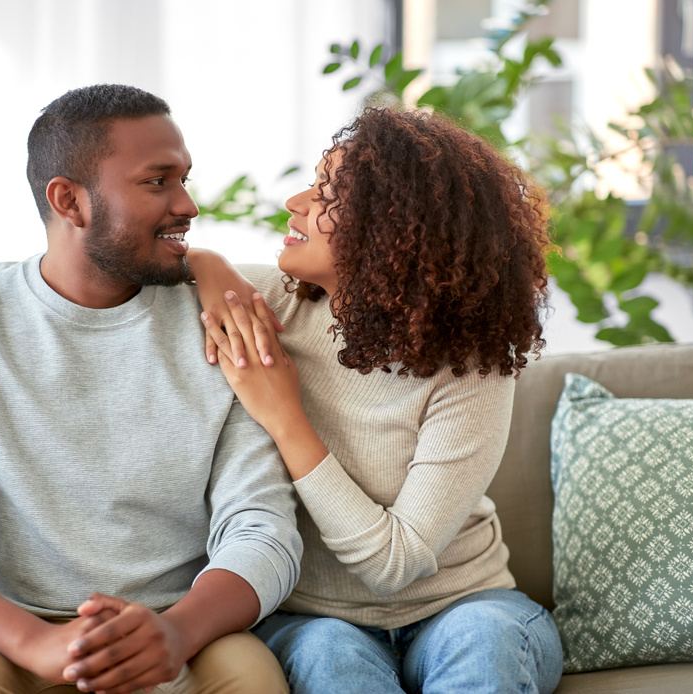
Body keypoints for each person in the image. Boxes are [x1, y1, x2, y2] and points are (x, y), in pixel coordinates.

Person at [0, 84, 302, 694]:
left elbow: (263, 529)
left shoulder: (220, 324)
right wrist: (33, 640)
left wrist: (175, 633)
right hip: (8, 636)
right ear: (69, 200)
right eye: (157, 182)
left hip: (182, 629)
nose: (188, 205)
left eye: (184, 179)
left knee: (251, 678)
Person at [189, 105, 564, 694]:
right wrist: (208, 263)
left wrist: (285, 416)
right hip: (315, 621)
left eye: (327, 193)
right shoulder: (269, 306)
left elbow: (399, 560)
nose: (297, 202)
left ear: (395, 227)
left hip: (466, 607)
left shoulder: (468, 366)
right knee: (331, 658)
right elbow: (165, 262)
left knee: (483, 646)